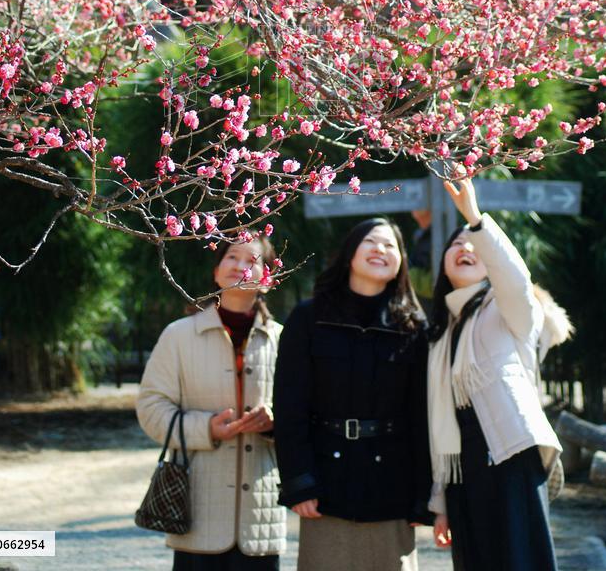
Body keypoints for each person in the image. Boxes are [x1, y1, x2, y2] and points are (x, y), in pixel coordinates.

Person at [427, 177, 573, 571]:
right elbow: (439, 425)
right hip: (464, 472)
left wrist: (474, 220)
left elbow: (515, 279)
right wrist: (441, 504)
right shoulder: (441, 335)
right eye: (456, 244)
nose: (465, 248)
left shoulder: (511, 312)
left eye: (473, 245)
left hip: (510, 455)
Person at [273, 217, 432, 571]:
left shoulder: (414, 326)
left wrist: (425, 494)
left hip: (393, 485)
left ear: (401, 262)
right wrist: (299, 481)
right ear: (350, 253)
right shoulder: (309, 318)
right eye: (372, 241)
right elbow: (289, 407)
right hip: (325, 484)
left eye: (391, 245)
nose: (381, 250)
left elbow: (422, 415)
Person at [136, 236, 286, 570]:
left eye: (253, 259)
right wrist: (206, 428)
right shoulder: (178, 335)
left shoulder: (284, 339)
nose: (240, 266)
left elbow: (307, 413)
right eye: (231, 257)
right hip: (197, 510)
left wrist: (275, 423)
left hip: (260, 519)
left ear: (268, 279)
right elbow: (150, 407)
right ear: (216, 271)